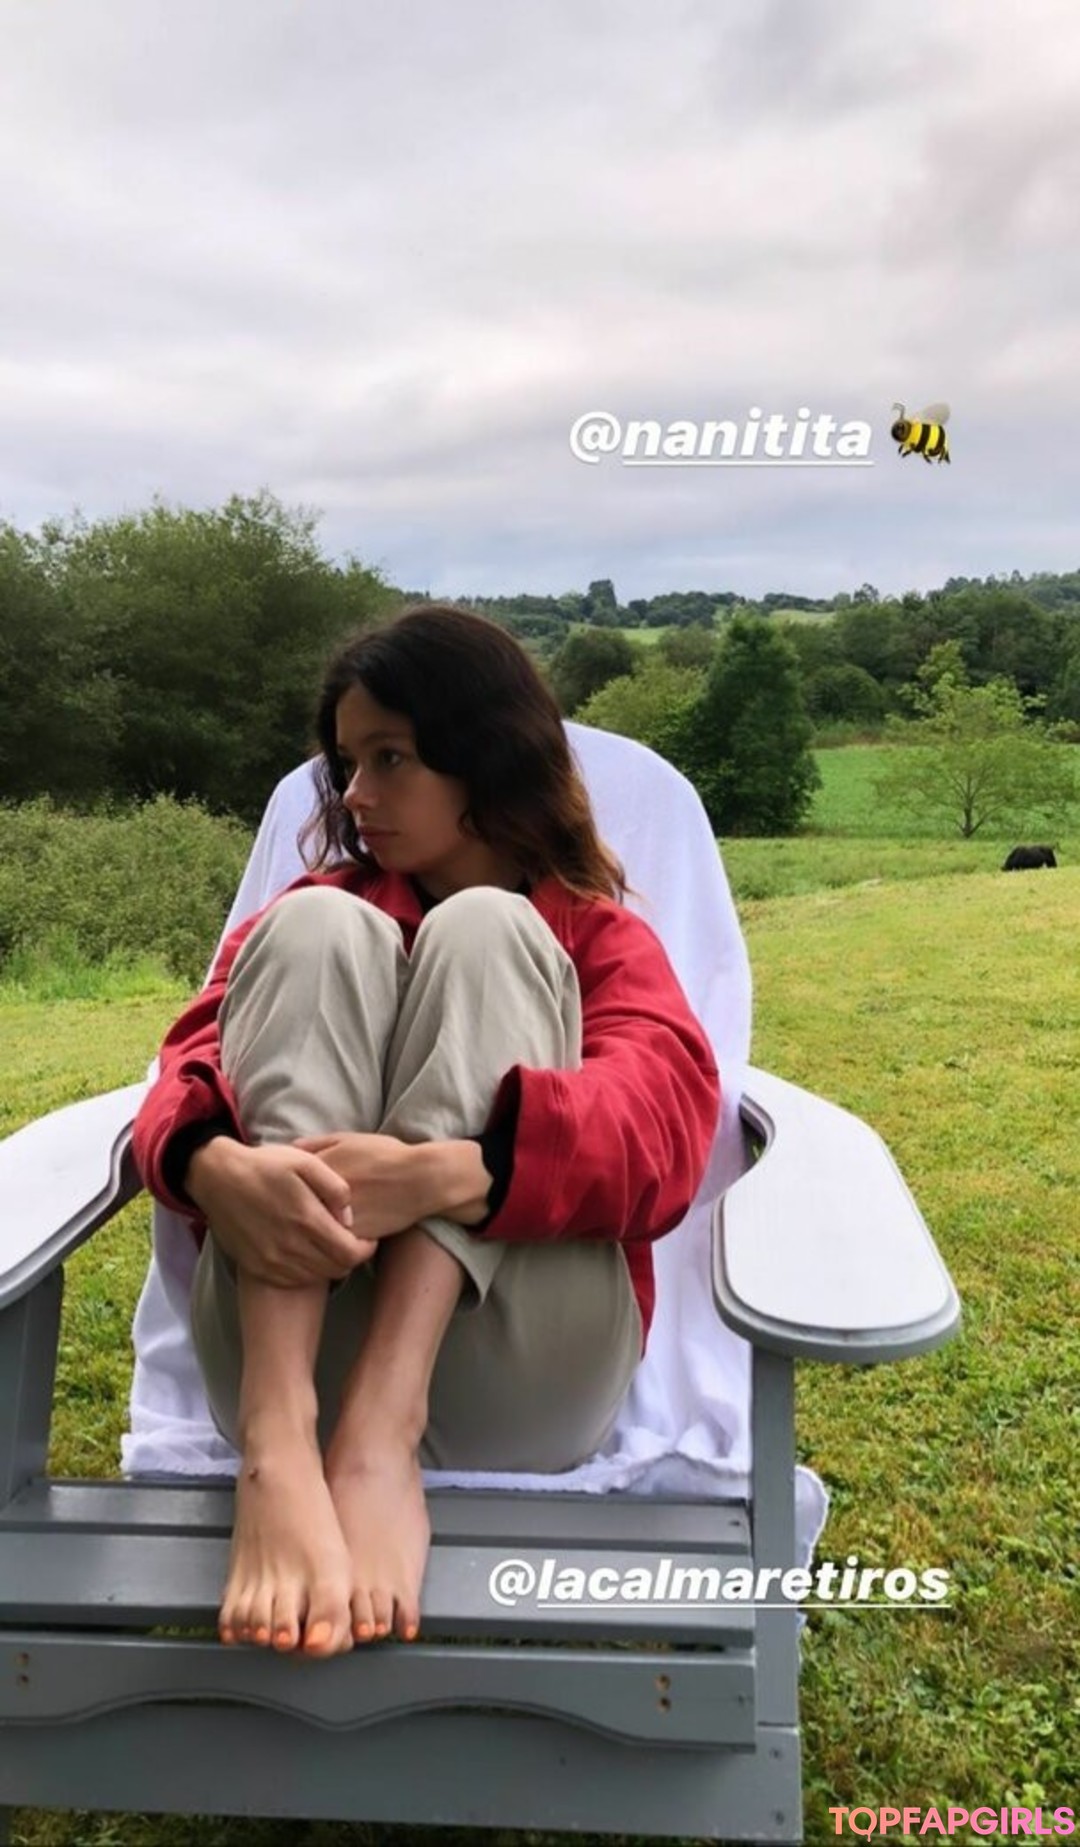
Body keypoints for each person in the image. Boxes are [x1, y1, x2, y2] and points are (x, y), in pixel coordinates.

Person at [132, 604, 720, 1660]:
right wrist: (213, 1165)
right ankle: (279, 1446)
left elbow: (665, 1127)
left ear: (483, 756)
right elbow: (184, 1069)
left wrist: (453, 1174)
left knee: (488, 928)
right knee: (315, 924)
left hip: (519, 1363)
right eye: (348, 763)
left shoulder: (595, 934)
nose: (355, 793)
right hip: (283, 1355)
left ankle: (381, 1434)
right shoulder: (316, 905)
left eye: (390, 758)